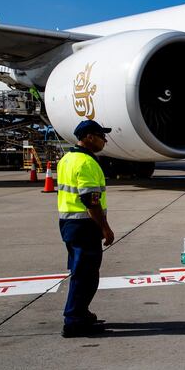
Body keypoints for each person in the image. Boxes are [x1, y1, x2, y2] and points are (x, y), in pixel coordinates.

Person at [56, 120, 115, 337]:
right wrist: (105, 228)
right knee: (86, 275)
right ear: (89, 137)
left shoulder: (67, 159)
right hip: (84, 226)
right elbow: (91, 200)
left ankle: (80, 312)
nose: (105, 140)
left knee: (79, 271)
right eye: (101, 135)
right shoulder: (86, 163)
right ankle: (74, 321)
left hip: (69, 223)